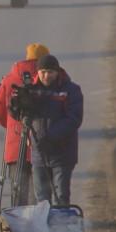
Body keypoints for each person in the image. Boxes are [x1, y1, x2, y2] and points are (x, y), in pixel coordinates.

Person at [0, 42, 50, 206]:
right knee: (39, 195)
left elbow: (0, 109)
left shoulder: (10, 79)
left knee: (18, 192)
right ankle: (37, 228)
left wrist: (12, 127)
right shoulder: (48, 77)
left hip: (15, 144)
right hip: (41, 145)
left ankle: (18, 229)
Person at [27, 53, 83, 207]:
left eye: (50, 72)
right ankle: (44, 230)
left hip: (63, 154)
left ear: (57, 72)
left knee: (61, 197)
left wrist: (51, 137)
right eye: (43, 72)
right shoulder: (31, 91)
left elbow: (74, 119)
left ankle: (61, 229)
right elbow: (22, 117)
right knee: (42, 200)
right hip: (39, 154)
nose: (46, 76)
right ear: (38, 72)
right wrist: (17, 107)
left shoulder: (71, 90)